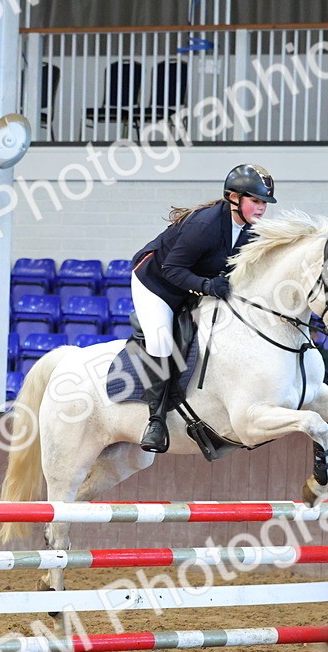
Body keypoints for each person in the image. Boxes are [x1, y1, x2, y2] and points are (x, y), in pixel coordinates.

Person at [130, 163, 277, 453]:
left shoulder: (250, 230)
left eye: (265, 203)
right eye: (256, 201)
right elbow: (172, 269)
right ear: (234, 198)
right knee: (161, 341)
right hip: (157, 285)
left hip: (193, 283)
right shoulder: (205, 225)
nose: (262, 208)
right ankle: (156, 421)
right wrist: (208, 287)